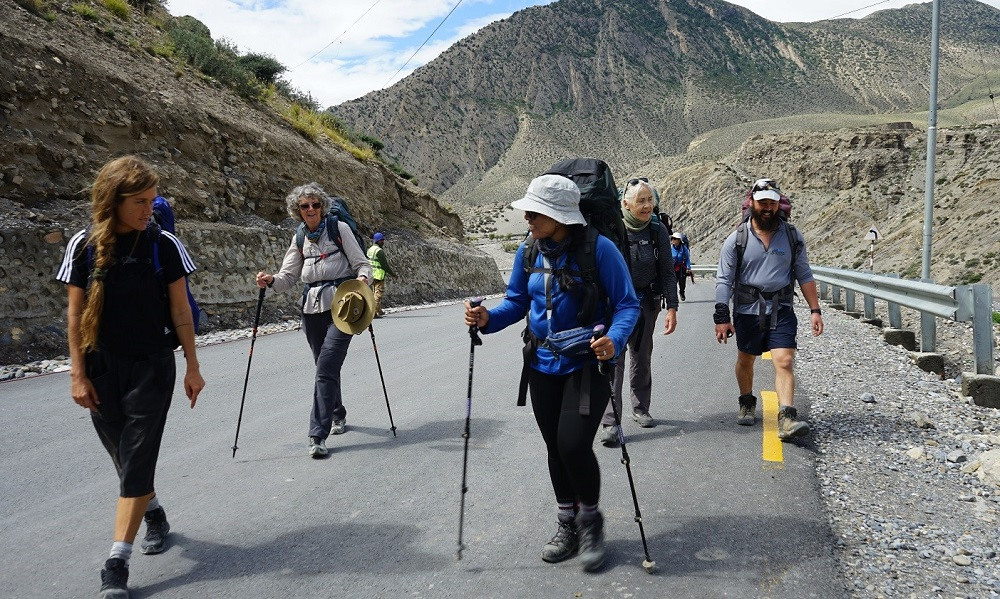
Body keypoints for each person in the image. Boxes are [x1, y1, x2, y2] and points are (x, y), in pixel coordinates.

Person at [464, 174, 639, 572]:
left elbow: (627, 304)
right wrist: (487, 317)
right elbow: (515, 302)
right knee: (555, 449)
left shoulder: (601, 250)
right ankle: (567, 522)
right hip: (540, 364)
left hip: (586, 364)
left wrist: (613, 339)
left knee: (573, 445)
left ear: (560, 217)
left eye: (535, 211)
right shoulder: (528, 251)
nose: (526, 217)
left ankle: (590, 521)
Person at [56, 155, 204, 599]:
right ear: (113, 200)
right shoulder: (82, 245)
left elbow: (180, 310)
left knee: (136, 458)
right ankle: (153, 512)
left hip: (152, 365)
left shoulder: (163, 244)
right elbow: (75, 315)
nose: (149, 210)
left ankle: (116, 561)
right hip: (101, 366)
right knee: (124, 455)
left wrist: (193, 366)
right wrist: (77, 375)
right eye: (140, 201)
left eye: (153, 200)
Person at [255, 182, 372, 458]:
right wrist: (270, 280)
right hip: (311, 310)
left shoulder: (338, 229)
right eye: (304, 206)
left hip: (342, 308)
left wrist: (363, 279)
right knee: (324, 366)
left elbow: (362, 263)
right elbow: (288, 278)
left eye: (315, 205)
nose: (310, 209)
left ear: (323, 207)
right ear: (297, 210)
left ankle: (317, 435)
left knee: (326, 366)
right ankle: (337, 413)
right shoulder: (299, 238)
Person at [713, 178, 823, 440]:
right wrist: (721, 316)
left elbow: (804, 273)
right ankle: (747, 401)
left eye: (772, 203)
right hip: (747, 310)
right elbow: (724, 279)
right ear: (751, 203)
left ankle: (787, 417)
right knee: (746, 359)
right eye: (762, 202)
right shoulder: (736, 239)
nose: (767, 208)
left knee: (784, 361)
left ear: (778, 205)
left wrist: (815, 310)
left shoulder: (792, 236)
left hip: (781, 308)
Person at [599, 179, 677, 445]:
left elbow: (667, 269)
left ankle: (640, 408)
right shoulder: (613, 230)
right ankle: (610, 421)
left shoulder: (657, 230)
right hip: (617, 305)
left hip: (647, 301)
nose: (646, 206)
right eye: (640, 201)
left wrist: (672, 307)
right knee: (614, 359)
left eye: (649, 200)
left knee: (642, 356)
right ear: (625, 203)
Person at [366, 232, 395, 317]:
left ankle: (379, 310)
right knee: (378, 294)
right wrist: (393, 274)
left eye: (383, 240)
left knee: (373, 293)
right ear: (377, 241)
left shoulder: (370, 249)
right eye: (381, 240)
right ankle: (374, 313)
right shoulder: (379, 251)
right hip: (378, 275)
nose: (383, 242)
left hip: (370, 274)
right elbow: (384, 265)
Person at [670, 232, 693, 301]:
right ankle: (674, 297)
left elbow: (687, 258)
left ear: (679, 240)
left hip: (681, 268)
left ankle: (682, 292)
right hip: (673, 268)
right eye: (672, 238)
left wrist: (688, 267)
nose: (673, 240)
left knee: (682, 282)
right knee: (673, 283)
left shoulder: (683, 248)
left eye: (675, 239)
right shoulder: (670, 248)